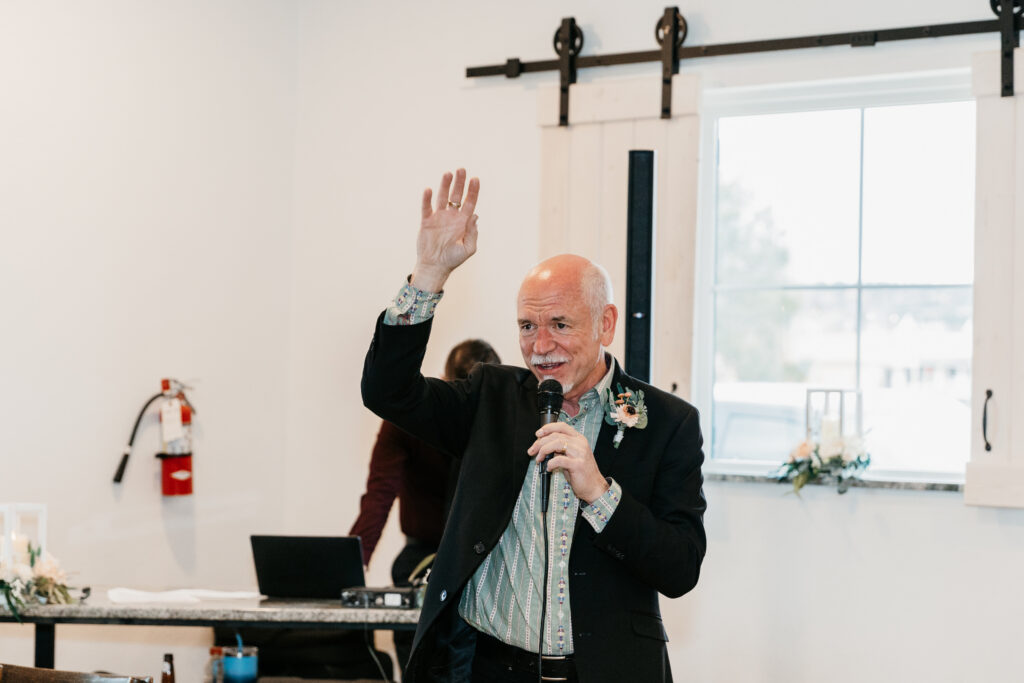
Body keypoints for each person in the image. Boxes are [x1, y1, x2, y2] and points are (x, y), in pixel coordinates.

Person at [361, 169, 707, 683]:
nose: (541, 346)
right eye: (527, 326)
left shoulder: (669, 423)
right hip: (488, 669)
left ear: (606, 323)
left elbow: (679, 570)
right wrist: (428, 274)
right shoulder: (490, 397)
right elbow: (387, 392)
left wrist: (599, 493)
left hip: (603, 671)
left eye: (560, 325)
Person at [349, 338, 500, 677]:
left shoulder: (505, 422)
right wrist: (353, 565)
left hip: (484, 558)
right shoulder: (408, 419)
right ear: (447, 387)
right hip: (422, 557)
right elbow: (380, 493)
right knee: (419, 662)